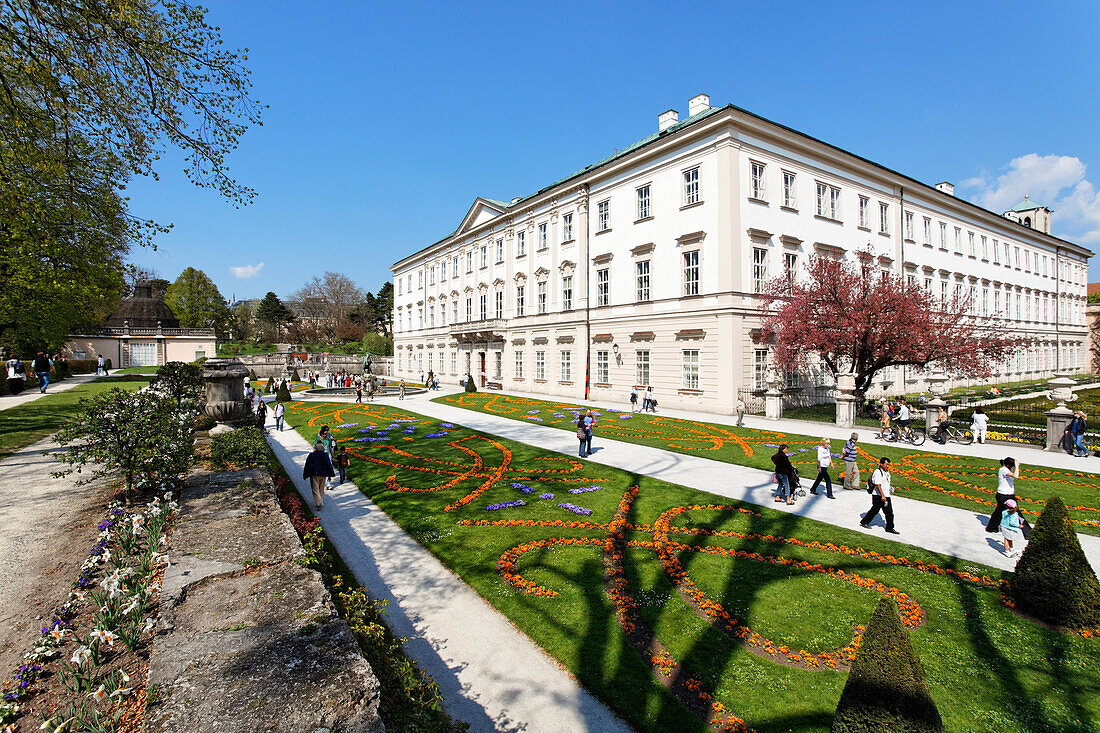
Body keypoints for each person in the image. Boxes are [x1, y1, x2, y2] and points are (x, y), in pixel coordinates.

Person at [861, 457, 899, 534]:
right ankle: (864, 522)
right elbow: (878, 485)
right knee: (875, 510)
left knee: (888, 512)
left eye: (888, 464)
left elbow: (887, 482)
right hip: (878, 496)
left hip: (885, 495)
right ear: (881, 464)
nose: (888, 466)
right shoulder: (878, 472)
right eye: (886, 464)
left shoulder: (886, 472)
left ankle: (889, 528)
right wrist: (882, 495)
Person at [986, 457, 1021, 532]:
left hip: (1009, 494)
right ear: (1008, 465)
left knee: (1000, 511)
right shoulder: (1003, 470)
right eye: (1013, 466)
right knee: (1004, 511)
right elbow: (1016, 476)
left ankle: (992, 528)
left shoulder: (1008, 469)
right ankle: (992, 528)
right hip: (1003, 495)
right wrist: (1017, 466)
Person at [303, 441, 335, 510]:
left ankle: (319, 503)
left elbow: (307, 465)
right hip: (323, 474)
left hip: (314, 474)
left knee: (315, 489)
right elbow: (329, 465)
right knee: (321, 489)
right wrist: (330, 474)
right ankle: (320, 501)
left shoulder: (311, 455)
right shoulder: (325, 455)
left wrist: (305, 474)